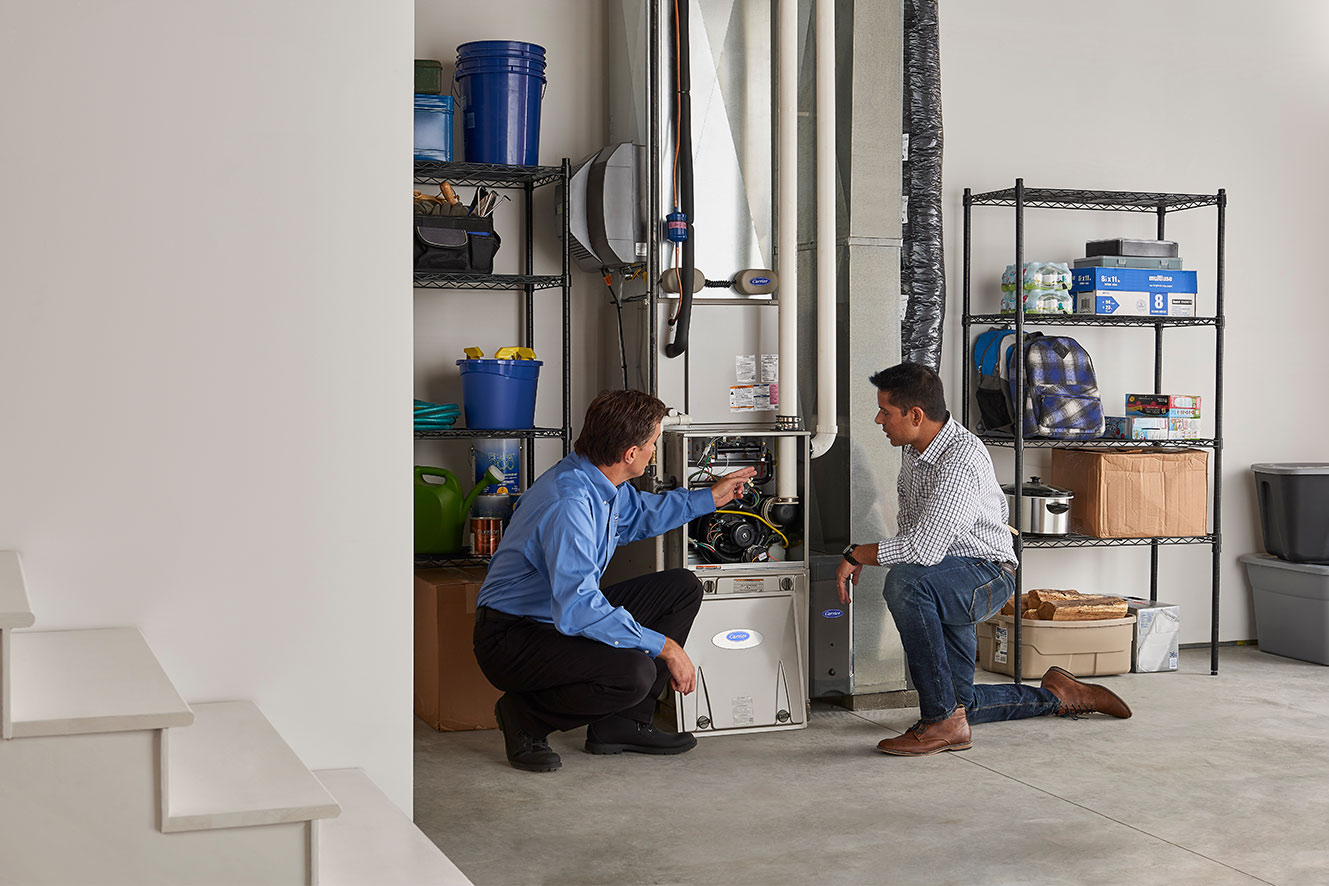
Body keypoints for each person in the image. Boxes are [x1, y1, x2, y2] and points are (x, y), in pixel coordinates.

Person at [835, 362, 1132, 757]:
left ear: (916, 415)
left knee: (905, 583)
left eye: (885, 412)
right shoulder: (914, 449)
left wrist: (857, 553)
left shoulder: (960, 461)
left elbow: (922, 549)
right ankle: (1058, 694)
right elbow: (919, 539)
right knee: (963, 703)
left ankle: (941, 722)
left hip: (984, 574)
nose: (878, 419)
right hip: (944, 576)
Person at [473, 389, 755, 772]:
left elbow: (640, 514)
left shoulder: (599, 482)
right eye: (654, 442)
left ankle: (622, 724)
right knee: (633, 672)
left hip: (553, 618)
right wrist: (666, 647)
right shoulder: (568, 504)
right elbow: (578, 609)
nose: (655, 450)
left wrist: (709, 498)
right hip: (513, 638)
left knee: (680, 588)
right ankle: (524, 717)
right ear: (631, 454)